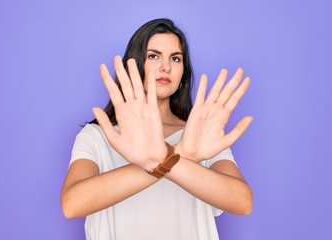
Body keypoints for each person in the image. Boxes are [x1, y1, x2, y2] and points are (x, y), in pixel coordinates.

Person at [61, 18, 253, 240]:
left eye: (175, 58)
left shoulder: (199, 136)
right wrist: (169, 160)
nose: (166, 67)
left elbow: (242, 201)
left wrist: (167, 159)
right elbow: (72, 204)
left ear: (183, 73)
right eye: (153, 56)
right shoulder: (98, 136)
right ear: (134, 64)